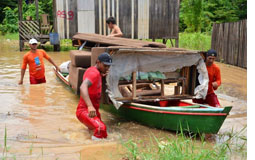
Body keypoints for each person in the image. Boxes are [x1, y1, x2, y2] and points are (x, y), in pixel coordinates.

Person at [76, 52, 112, 140]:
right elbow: (83, 86)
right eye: (105, 66)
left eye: (109, 66)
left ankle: (89, 139)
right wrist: (90, 106)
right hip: (85, 110)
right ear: (98, 62)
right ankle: (94, 151)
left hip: (93, 111)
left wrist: (102, 75)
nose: (107, 68)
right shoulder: (93, 73)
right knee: (101, 128)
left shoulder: (97, 72)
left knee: (100, 131)